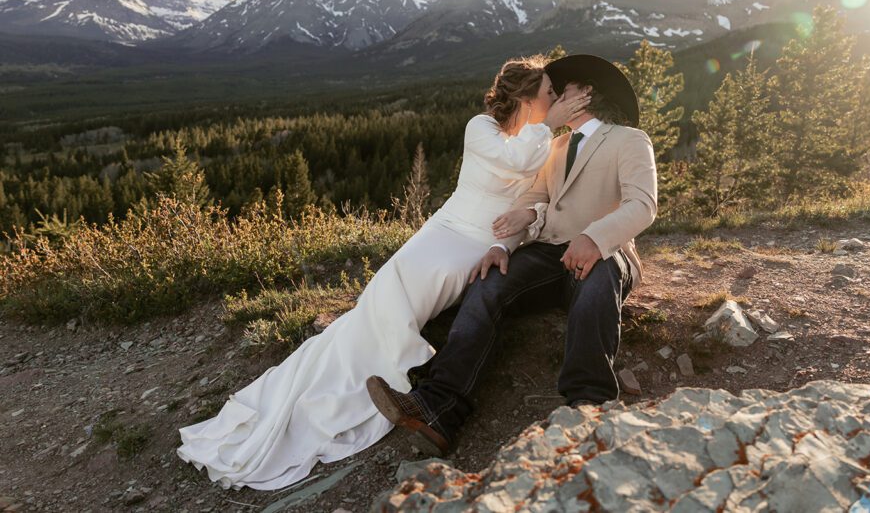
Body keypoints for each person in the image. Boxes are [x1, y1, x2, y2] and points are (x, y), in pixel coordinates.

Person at [176, 55, 591, 490]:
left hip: (472, 246)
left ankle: (392, 381)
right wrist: (552, 123)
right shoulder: (482, 128)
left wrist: (502, 242)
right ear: (526, 97)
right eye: (548, 93)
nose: (555, 99)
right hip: (444, 231)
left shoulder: (544, 143)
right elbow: (514, 161)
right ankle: (346, 374)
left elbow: (533, 202)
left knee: (410, 305)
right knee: (383, 292)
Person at [366, 53, 658, 456]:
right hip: (547, 255)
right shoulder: (555, 145)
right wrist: (502, 245)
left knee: (594, 289)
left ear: (586, 93)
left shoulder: (628, 139)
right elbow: (535, 199)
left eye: (563, 89)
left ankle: (589, 408)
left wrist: (594, 238)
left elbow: (643, 205)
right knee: (488, 285)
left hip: (606, 254)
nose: (552, 97)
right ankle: (438, 407)